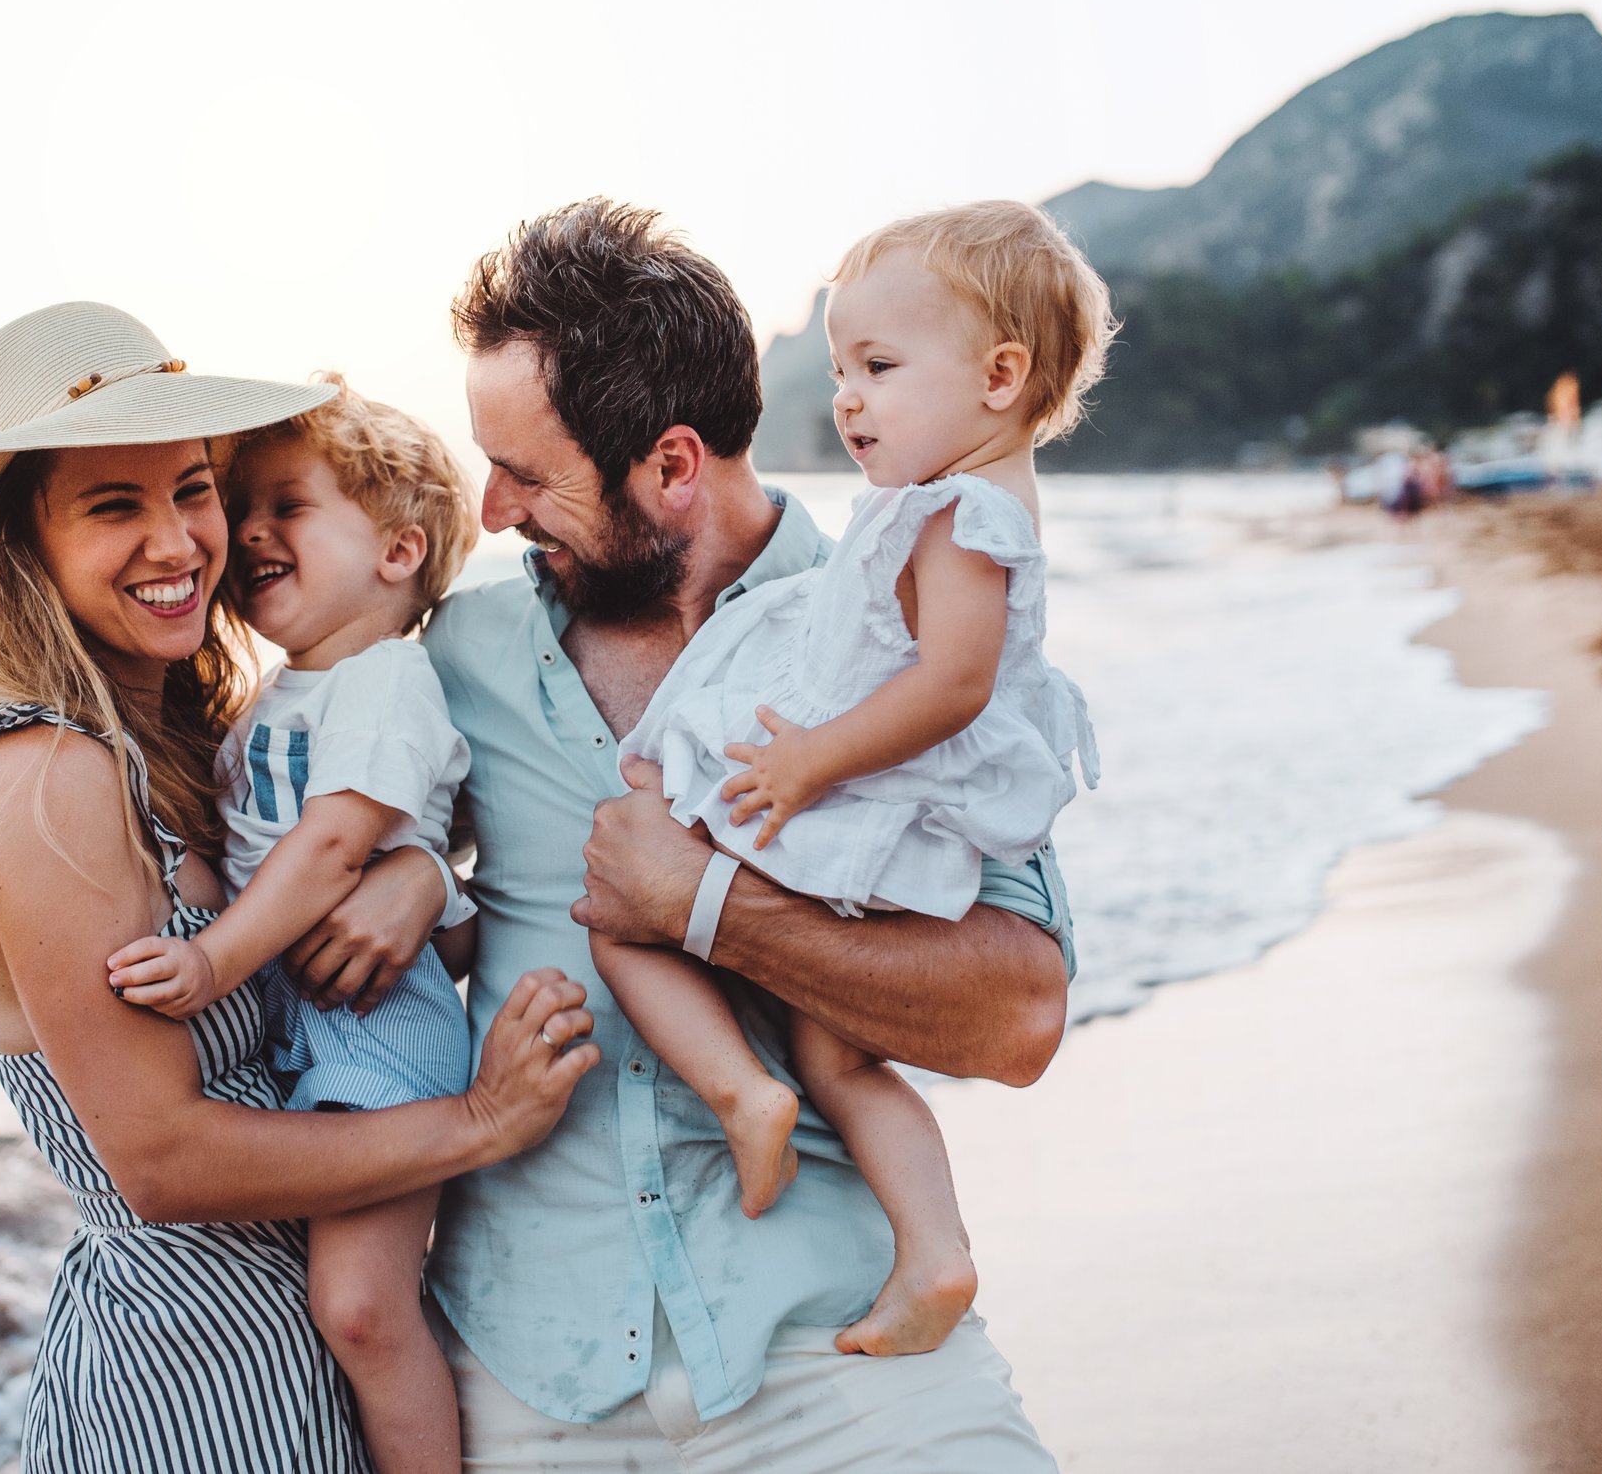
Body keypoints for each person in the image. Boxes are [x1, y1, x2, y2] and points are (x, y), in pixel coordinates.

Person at [0, 302, 598, 1474]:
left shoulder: (187, 745)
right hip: (190, 1388)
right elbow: (164, 1162)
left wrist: (415, 880)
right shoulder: (44, 778)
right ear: (22, 545)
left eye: (192, 490)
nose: (181, 541)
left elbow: (323, 899)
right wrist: (480, 1122)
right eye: (111, 505)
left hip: (300, 1358)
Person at [413, 201, 1075, 1470]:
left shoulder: (903, 630)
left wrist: (707, 905)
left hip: (840, 1347)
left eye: (529, 474)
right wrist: (399, 887)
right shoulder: (455, 659)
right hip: (530, 1373)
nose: (491, 513)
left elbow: (1020, 1018)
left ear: (670, 466)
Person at [603, 201, 1107, 1359]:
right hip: (879, 798)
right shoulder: (953, 502)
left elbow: (952, 686)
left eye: (878, 366)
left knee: (626, 912)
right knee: (837, 1048)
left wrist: (806, 762)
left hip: (863, 796)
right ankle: (933, 1253)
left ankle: (741, 1094)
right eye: (840, 369)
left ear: (999, 375)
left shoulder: (965, 514)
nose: (847, 398)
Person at [103, 379, 482, 1474]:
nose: (250, 531)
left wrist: (214, 957)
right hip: (299, 1022)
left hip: (377, 1026)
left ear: (398, 552)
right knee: (342, 1301)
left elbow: (327, 849)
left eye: (289, 506)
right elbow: (234, 850)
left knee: (360, 1309)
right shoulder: (280, 698)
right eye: (244, 505)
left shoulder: (383, 680)